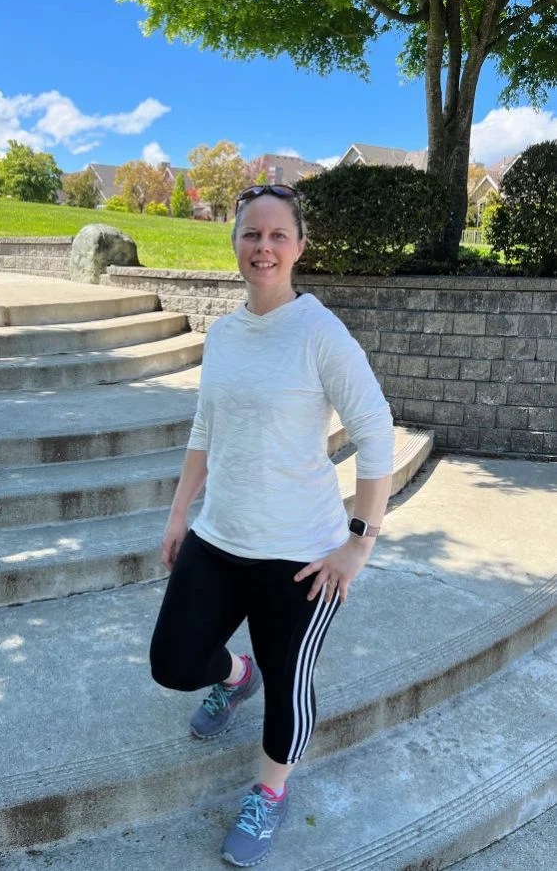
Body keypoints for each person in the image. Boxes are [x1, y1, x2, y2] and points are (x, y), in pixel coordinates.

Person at [150, 184, 394, 867]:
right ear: (235, 243)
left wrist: (358, 543)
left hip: (300, 555)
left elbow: (376, 431)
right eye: (251, 234)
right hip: (219, 537)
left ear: (299, 247)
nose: (263, 247)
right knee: (174, 663)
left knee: (290, 686)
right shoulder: (224, 334)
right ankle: (235, 676)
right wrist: (179, 513)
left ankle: (270, 792)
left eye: (277, 235)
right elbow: (205, 428)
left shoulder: (319, 333)